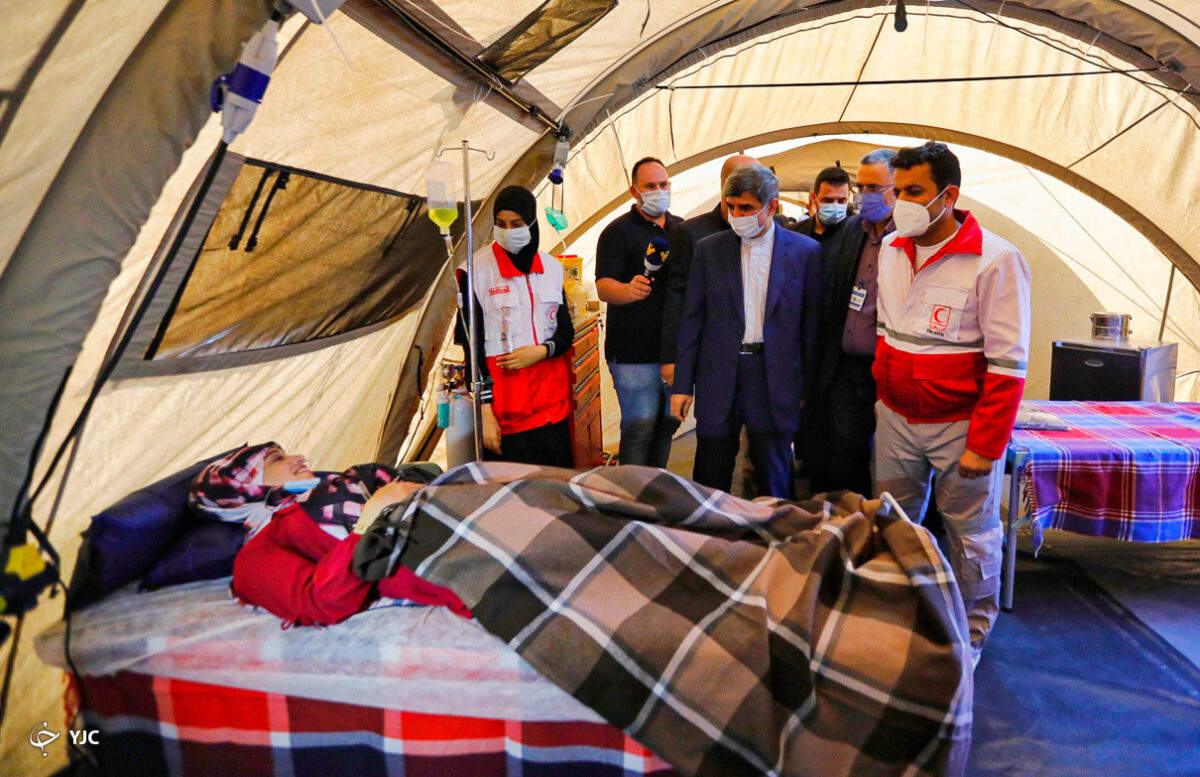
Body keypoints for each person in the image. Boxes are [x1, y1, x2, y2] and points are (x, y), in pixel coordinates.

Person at [872, 141, 1031, 663]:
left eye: (914, 192)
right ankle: (906, 614)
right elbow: (888, 334)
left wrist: (985, 446)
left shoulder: (996, 260)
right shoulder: (893, 247)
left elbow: (1008, 366)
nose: (901, 202)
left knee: (972, 535)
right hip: (896, 418)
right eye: (898, 191)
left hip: (960, 425)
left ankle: (971, 635)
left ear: (949, 194)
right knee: (894, 522)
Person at [190, 442, 469, 627]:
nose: (298, 457)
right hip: (462, 566)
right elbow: (323, 604)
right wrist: (369, 521)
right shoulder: (255, 556)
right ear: (244, 486)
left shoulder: (335, 489)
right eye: (278, 459)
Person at [670, 164, 822, 498]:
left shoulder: (805, 252)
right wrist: (683, 384)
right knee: (711, 469)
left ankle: (776, 538)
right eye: (731, 206)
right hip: (720, 373)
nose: (737, 214)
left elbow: (811, 327)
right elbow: (692, 319)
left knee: (774, 471)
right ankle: (709, 539)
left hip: (774, 375)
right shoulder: (709, 250)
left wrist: (807, 387)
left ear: (772, 206)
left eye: (746, 208)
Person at [798, 149, 896, 496]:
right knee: (845, 453)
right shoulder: (852, 230)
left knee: (895, 461)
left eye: (875, 188)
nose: (865, 196)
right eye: (862, 187)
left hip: (892, 369)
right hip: (848, 366)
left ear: (897, 189)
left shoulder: (912, 236)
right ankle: (851, 525)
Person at [455, 185, 575, 466]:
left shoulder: (552, 268)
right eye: (501, 224)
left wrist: (542, 351)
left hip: (552, 409)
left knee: (557, 495)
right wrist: (485, 413)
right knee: (514, 502)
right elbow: (471, 348)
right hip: (506, 415)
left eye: (517, 224)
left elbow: (565, 332)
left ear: (532, 223)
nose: (509, 231)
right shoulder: (476, 271)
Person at [594, 157, 683, 467]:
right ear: (634, 191)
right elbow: (603, 286)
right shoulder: (617, 232)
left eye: (664, 184)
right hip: (632, 353)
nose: (659, 191)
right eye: (650, 186)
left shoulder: (681, 229)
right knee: (639, 428)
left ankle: (656, 487)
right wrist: (627, 291)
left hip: (673, 352)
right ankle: (631, 495)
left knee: (668, 425)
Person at [791, 165, 852, 244]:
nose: (835, 206)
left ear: (848, 197)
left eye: (841, 200)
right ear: (814, 197)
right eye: (828, 200)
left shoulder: (857, 235)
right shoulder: (794, 233)